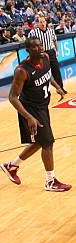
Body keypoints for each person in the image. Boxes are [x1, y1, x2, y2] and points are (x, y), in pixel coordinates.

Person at [1, 37, 70, 192]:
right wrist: (29, 117)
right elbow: (12, 97)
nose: (39, 49)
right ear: (28, 50)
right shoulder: (22, 71)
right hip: (31, 110)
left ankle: (12, 166)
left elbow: (47, 74)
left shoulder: (45, 57)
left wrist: (57, 86)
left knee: (40, 142)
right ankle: (50, 181)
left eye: (40, 45)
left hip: (43, 107)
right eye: (35, 47)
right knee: (48, 143)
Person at [28, 16, 67, 94]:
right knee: (41, 73)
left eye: (44, 22)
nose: (42, 24)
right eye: (40, 22)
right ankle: (42, 91)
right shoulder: (33, 32)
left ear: (46, 22)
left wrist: (57, 50)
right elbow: (29, 42)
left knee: (56, 71)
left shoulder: (51, 31)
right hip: (40, 54)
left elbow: (55, 40)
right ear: (38, 24)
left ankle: (60, 88)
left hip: (51, 52)